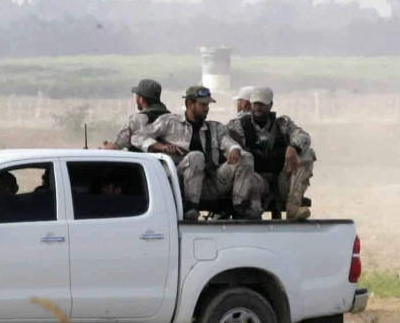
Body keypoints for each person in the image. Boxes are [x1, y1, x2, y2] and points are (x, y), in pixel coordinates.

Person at [132, 85, 265, 221]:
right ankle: (191, 207)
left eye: (207, 105)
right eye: (202, 105)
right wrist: (160, 146)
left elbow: (228, 143)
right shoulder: (169, 122)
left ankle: (240, 206)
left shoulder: (215, 128)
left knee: (246, 156)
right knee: (196, 156)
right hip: (182, 183)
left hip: (211, 181)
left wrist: (234, 149)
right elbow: (137, 137)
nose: (207, 108)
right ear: (190, 104)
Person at [228, 87, 315, 221]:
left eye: (262, 104)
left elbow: (304, 137)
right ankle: (248, 212)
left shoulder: (282, 125)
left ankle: (293, 206)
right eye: (255, 103)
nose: (258, 107)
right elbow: (225, 141)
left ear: (270, 105)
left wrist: (293, 147)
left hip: (281, 180)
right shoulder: (238, 126)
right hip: (255, 181)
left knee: (307, 153)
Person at [102, 79, 170, 151]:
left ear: (141, 99)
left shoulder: (135, 121)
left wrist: (106, 148)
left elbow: (115, 147)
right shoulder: (171, 119)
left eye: (137, 96)